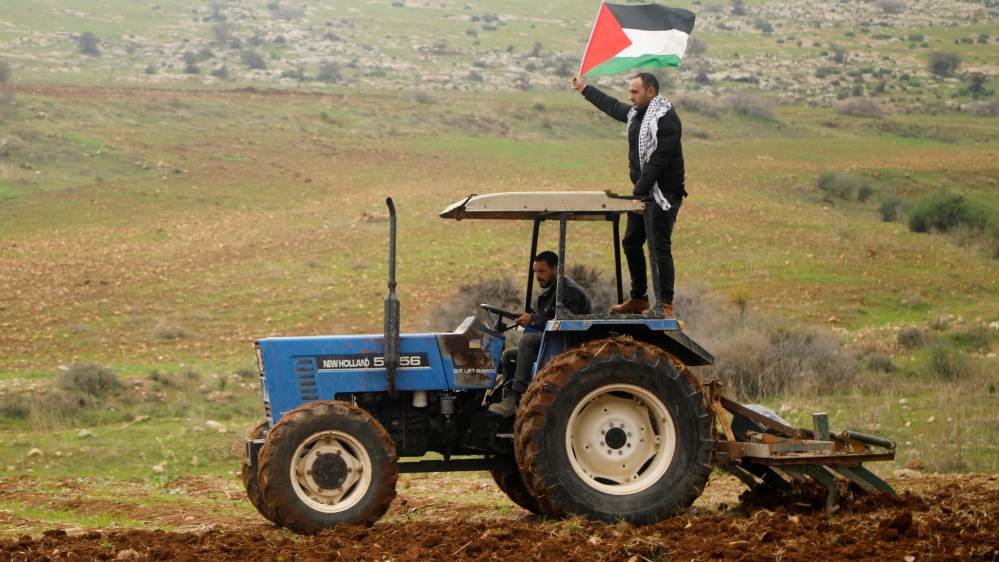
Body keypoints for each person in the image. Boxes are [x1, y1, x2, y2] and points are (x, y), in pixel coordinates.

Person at [571, 72, 686, 319]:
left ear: (650, 92)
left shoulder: (666, 120)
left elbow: (658, 163)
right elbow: (613, 106)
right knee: (631, 242)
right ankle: (639, 298)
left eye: (635, 92)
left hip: (664, 193)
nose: (630, 96)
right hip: (644, 191)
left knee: (658, 248)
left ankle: (665, 305)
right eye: (630, 92)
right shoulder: (637, 114)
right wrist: (585, 89)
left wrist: (636, 194)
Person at [488, 251, 591, 417]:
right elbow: (548, 318)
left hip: (566, 344)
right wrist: (530, 319)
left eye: (542, 271)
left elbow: (566, 325)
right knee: (508, 355)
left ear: (556, 269)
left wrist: (533, 320)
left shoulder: (568, 291)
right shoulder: (552, 290)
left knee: (528, 341)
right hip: (551, 341)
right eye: (535, 271)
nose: (537, 276)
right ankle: (507, 397)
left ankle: (517, 395)